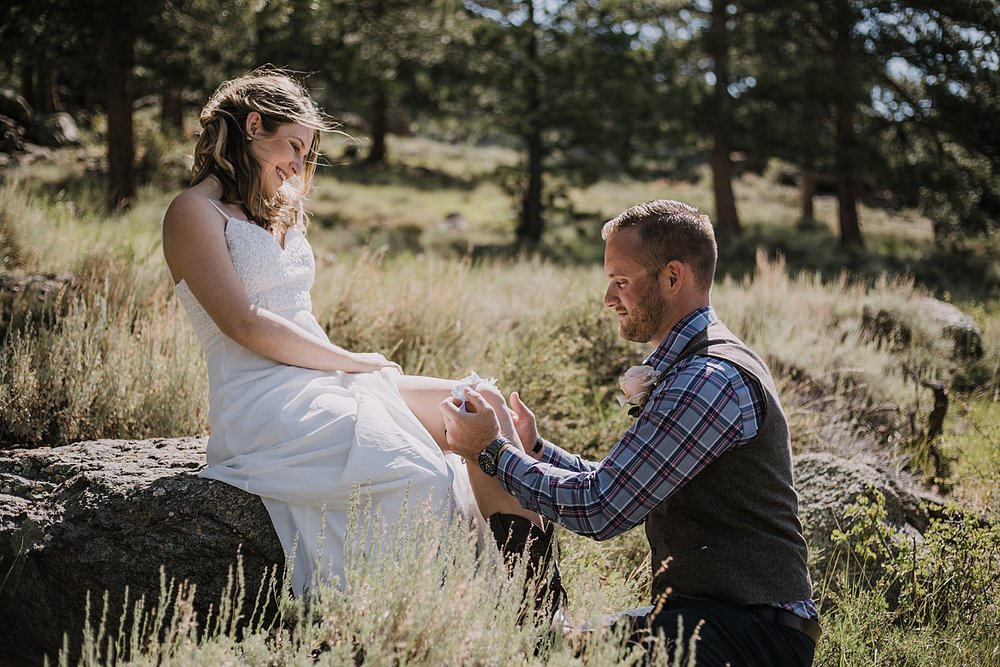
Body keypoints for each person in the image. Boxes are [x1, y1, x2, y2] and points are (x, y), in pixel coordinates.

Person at [161, 68, 557, 599]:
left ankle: (537, 604)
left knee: (482, 405)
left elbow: (294, 312)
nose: (300, 165)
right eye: (294, 146)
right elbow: (242, 323)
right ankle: (437, 602)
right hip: (263, 396)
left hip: (322, 376)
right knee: (414, 468)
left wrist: (347, 369)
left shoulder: (283, 211)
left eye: (307, 153)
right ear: (253, 126)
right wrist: (351, 361)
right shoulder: (193, 212)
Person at [440, 200, 820, 666]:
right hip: (717, 622)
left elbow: (603, 507)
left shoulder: (707, 379)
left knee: (563, 653)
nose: (608, 299)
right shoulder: (694, 368)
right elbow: (623, 482)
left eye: (621, 282)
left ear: (673, 278)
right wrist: (537, 449)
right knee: (563, 646)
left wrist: (491, 452)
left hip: (751, 635)